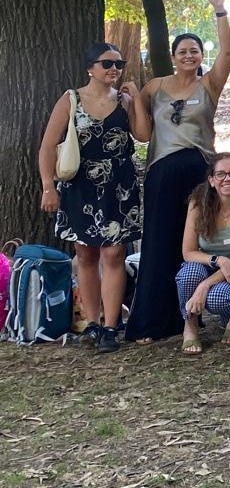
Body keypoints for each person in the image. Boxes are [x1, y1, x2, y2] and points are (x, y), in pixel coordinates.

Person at [126, 0, 230, 344]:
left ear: (200, 56)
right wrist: (132, 100)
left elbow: (229, 54)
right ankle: (151, 323)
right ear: (173, 56)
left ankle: (190, 315)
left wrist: (221, 11)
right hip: (160, 172)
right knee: (157, 242)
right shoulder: (154, 86)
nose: (189, 56)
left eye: (195, 51)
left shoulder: (209, 85)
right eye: (183, 51)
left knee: (192, 242)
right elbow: (142, 134)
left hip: (197, 171)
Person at [38, 43, 150, 353]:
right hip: (80, 186)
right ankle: (92, 322)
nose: (114, 69)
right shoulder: (71, 99)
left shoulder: (124, 101)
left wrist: (137, 99)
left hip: (119, 185)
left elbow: (143, 135)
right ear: (91, 67)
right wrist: (48, 186)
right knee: (85, 255)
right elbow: (48, 146)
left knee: (114, 254)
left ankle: (111, 326)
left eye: (118, 63)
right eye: (107, 64)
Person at [176, 154, 230, 355]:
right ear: (212, 180)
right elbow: (188, 252)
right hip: (207, 264)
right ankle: (190, 325)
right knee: (188, 275)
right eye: (220, 174)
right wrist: (218, 260)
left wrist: (204, 286)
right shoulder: (198, 203)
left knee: (218, 298)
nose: (227, 179)